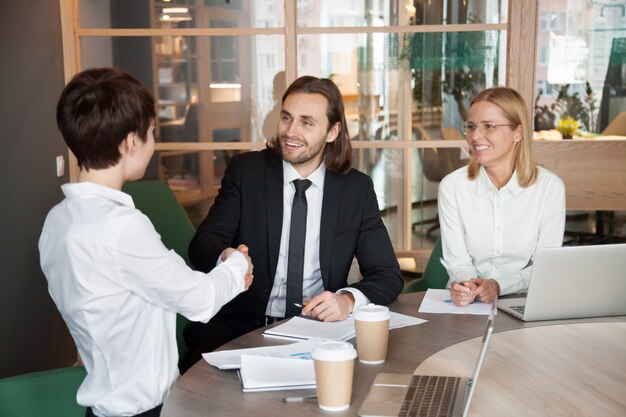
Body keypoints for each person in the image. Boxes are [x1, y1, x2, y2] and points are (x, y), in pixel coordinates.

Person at [38, 67, 253, 417]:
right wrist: (237, 264)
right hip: (144, 410)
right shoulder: (122, 228)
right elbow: (199, 300)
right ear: (130, 142)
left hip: (103, 406)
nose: (154, 144)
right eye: (151, 133)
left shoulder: (57, 222)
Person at [184, 75, 403, 370]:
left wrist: (347, 300)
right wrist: (226, 255)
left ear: (332, 131)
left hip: (318, 334)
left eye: (306, 122)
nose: (291, 131)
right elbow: (202, 245)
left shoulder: (355, 190)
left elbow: (387, 274)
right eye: (286, 118)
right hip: (239, 330)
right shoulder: (246, 172)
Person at [438, 86, 566, 307]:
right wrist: (468, 285)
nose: (475, 136)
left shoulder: (549, 188)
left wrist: (498, 285)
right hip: (470, 305)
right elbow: (457, 261)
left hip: (526, 301)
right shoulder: (452, 187)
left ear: (518, 132)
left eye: (489, 126)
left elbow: (546, 267)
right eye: (471, 126)